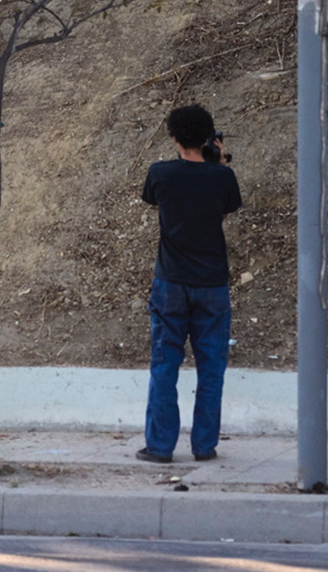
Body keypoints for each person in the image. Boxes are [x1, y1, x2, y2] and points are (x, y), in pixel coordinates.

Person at [137, 103, 242, 463]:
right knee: (211, 367)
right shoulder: (222, 177)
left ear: (175, 137)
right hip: (212, 283)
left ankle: (160, 446)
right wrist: (221, 164)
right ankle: (204, 446)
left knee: (164, 363)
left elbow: (157, 202)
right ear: (209, 138)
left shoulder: (160, 174)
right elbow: (223, 211)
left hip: (170, 281)